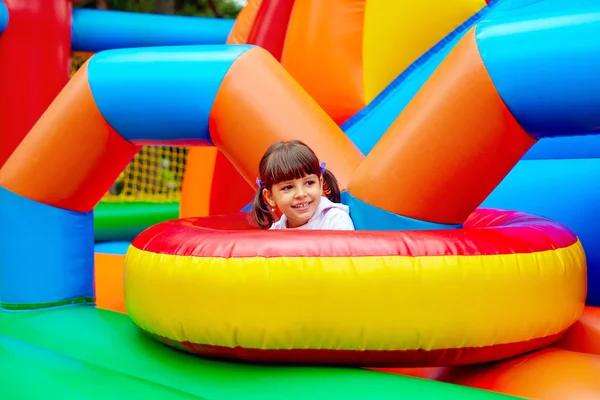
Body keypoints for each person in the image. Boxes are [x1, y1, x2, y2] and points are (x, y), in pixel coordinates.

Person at [251, 140, 355, 230]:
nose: (301, 194)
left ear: (320, 183)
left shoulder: (335, 221)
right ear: (270, 197)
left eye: (309, 183)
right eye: (288, 187)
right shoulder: (275, 232)